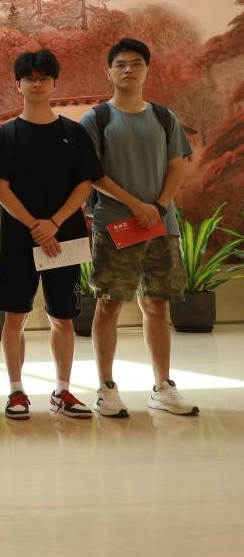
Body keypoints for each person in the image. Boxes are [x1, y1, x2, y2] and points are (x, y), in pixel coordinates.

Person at [82, 38, 198, 417]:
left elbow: (176, 166)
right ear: (109, 71)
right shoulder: (97, 119)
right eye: (120, 64)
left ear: (147, 69)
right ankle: (106, 388)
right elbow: (92, 173)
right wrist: (135, 205)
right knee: (109, 304)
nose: (128, 70)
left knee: (156, 305)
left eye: (136, 63)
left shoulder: (164, 117)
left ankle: (163, 386)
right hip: (114, 225)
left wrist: (158, 207)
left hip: (161, 225)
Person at [0, 49, 103, 419]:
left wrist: (53, 223)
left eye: (43, 78)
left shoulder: (74, 133)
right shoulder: (4, 136)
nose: (36, 84)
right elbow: (0, 188)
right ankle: (16, 391)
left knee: (63, 317)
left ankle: (63, 390)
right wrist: (35, 226)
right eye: (29, 78)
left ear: (55, 83)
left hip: (64, 238)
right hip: (19, 240)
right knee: (14, 317)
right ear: (18, 84)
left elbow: (85, 184)